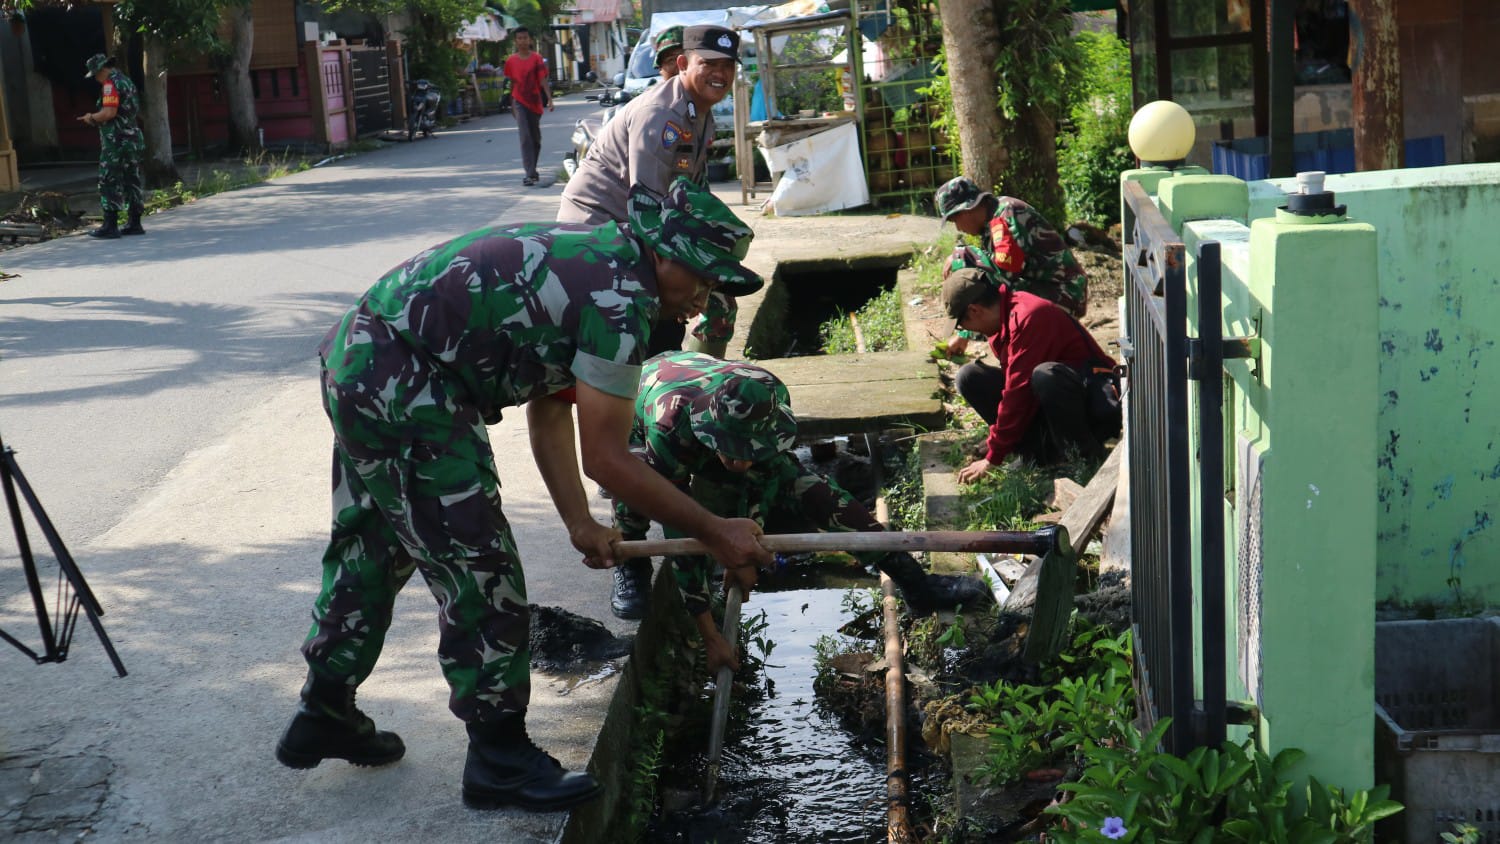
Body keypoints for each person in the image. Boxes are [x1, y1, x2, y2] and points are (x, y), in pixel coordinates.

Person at [274, 178, 773, 813]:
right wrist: (714, 528)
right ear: (665, 254)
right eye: (702, 278)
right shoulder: (622, 300)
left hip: (367, 358)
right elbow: (611, 458)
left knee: (375, 547)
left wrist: (578, 522)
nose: (703, 298)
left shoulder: (602, 260)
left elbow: (549, 406)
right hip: (407, 381)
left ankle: (324, 708)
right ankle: (499, 759)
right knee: (479, 566)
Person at [609, 351, 990, 641]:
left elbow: (767, 478)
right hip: (638, 407)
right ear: (713, 435)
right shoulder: (669, 429)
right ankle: (631, 561)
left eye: (749, 452)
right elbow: (680, 525)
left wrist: (749, 541)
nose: (741, 462)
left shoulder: (771, 395)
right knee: (635, 485)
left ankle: (917, 584)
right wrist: (709, 635)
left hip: (704, 391)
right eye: (732, 451)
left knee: (820, 495)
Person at [559, 24, 740, 359]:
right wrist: (681, 280)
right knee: (660, 318)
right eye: (709, 64)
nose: (720, 74)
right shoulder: (661, 114)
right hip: (598, 232)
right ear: (684, 64)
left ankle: (698, 391)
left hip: (636, 227)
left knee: (719, 304)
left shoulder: (699, 113)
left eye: (727, 66)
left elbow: (693, 199)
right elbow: (648, 207)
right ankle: (659, 395)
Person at [943, 268, 1121, 484]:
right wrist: (996, 439)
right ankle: (1037, 454)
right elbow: (1013, 387)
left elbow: (1019, 392)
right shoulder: (1001, 321)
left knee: (1045, 376)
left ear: (974, 311)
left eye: (963, 325)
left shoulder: (1029, 316)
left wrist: (993, 457)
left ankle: (1080, 457)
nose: (968, 331)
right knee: (969, 376)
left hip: (1088, 404)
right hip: (1048, 405)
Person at [935, 177, 1088, 319]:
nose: (958, 228)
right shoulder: (993, 219)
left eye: (955, 220)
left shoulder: (1008, 213)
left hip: (1064, 293)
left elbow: (1006, 274)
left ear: (966, 210)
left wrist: (963, 255)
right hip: (1046, 290)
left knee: (999, 301)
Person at [78, 54, 144, 239]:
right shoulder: (126, 81)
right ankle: (135, 222)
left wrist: (90, 117)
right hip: (132, 138)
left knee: (109, 179)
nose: (97, 79)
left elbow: (109, 112)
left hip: (116, 141)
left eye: (96, 75)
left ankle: (110, 225)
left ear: (101, 70)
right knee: (132, 178)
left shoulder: (110, 85)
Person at [503, 27, 553, 187]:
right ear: (515, 41)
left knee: (535, 139)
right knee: (525, 137)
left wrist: (550, 99)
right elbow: (511, 83)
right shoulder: (511, 61)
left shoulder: (537, 59)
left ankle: (533, 169)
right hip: (519, 101)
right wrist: (511, 102)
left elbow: (543, 80)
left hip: (535, 103)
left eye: (525, 38)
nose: (522, 41)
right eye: (519, 38)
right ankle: (529, 174)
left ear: (530, 40)